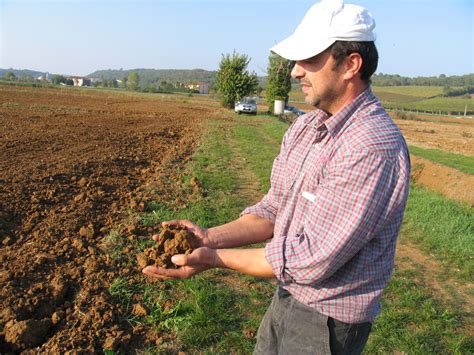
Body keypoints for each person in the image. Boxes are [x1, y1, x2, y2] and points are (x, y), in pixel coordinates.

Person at [143, 0, 411, 353]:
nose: (295, 72)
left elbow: (311, 259)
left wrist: (213, 258)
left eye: (309, 59)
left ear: (351, 65)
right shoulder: (307, 126)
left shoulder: (371, 146)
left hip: (327, 322)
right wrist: (209, 237)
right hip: (286, 297)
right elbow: (274, 209)